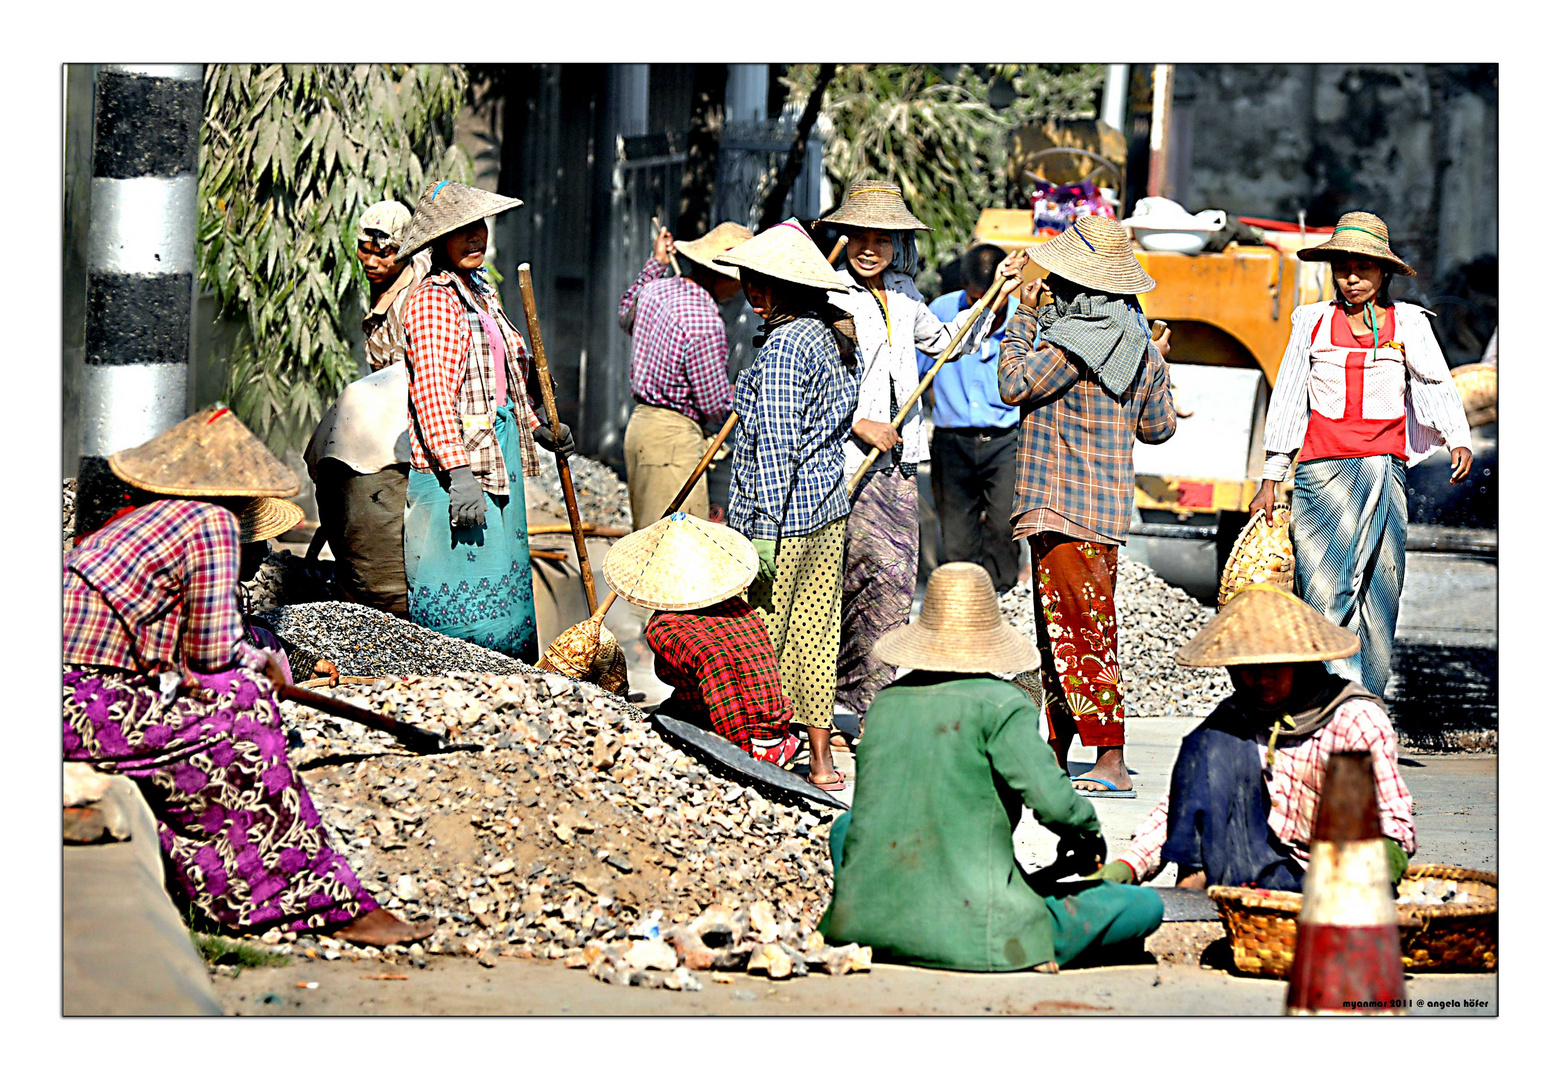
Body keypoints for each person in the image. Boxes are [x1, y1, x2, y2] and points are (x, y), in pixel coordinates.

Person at [63, 406, 432, 946]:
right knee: (244, 704)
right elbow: (214, 659)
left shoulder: (142, 522)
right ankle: (316, 902)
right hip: (85, 701)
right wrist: (258, 667)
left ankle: (237, 889)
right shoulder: (208, 524)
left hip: (75, 698)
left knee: (231, 709)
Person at [819, 563, 1164, 972]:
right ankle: (1019, 942)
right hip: (980, 931)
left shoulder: (885, 705)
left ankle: (873, 915)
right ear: (988, 639)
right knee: (1143, 906)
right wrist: (1086, 834)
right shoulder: (1001, 704)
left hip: (864, 922)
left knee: (845, 828)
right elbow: (1057, 805)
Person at [818, 180, 1021, 725]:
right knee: (846, 581)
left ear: (896, 244)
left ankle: (867, 707)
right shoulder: (829, 294)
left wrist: (998, 291)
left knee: (893, 584)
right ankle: (830, 703)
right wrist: (858, 421)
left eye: (881, 238)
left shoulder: (907, 296)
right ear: (844, 238)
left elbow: (952, 341)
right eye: (858, 236)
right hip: (845, 465)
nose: (868, 248)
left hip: (899, 467)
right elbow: (814, 378)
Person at [1249, 212, 1471, 699]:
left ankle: (1365, 701)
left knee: (1378, 589)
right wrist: (1271, 476)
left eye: (1363, 268)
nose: (1352, 278)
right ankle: (1326, 699)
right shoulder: (1311, 322)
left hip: (1383, 474)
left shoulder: (1407, 323)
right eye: (1343, 268)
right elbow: (1289, 397)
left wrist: (1457, 437)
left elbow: (1434, 382)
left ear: (1383, 273)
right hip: (1320, 476)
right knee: (1324, 592)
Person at [998, 217, 1177, 797]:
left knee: (1078, 637)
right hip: (1102, 515)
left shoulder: (1072, 341)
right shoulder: (1140, 345)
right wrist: (1162, 368)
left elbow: (1014, 384)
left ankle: (1110, 758)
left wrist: (1020, 321)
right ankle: (1055, 749)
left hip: (1061, 508)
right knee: (1066, 635)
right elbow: (1158, 429)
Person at [1100, 584, 1416, 890]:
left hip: (1330, 878)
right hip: (1249, 868)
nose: (1261, 679)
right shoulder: (1236, 717)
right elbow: (1181, 808)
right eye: (1248, 669)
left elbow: (1393, 823)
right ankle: (1192, 886)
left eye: (1274, 667)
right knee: (1211, 742)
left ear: (1301, 663)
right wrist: (1127, 867)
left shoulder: (1353, 720)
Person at [713, 220, 860, 791]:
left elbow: (775, 446)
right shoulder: (829, 334)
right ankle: (821, 761)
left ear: (785, 287)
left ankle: (759, 751)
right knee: (816, 635)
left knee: (763, 639)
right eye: (748, 279)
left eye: (760, 281)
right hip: (826, 509)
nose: (751, 290)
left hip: (783, 521)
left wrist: (764, 538)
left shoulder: (785, 348)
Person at [399, 180, 573, 662]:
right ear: (439, 243)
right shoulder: (434, 300)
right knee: (460, 618)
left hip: (499, 458)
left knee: (506, 602)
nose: (476, 238)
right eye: (462, 231)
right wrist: (458, 474)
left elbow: (507, 372)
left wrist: (537, 424)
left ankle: (507, 691)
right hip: (456, 467)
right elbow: (432, 395)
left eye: (479, 227)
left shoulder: (479, 290)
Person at [304, 200, 432, 614]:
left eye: (385, 252)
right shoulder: (384, 289)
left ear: (406, 251)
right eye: (366, 250)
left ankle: (391, 605)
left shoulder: (416, 297)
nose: (373, 260)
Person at [604, 511, 800, 765]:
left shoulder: (666, 627)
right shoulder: (738, 608)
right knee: (658, 718)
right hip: (774, 727)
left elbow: (719, 674)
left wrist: (740, 755)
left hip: (752, 738)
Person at [618, 221, 754, 529]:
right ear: (721, 276)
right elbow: (714, 404)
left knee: (648, 536)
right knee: (673, 548)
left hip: (640, 429)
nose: (742, 289)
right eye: (740, 279)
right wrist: (748, 391)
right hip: (672, 440)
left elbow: (625, 315)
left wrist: (655, 264)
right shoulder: (705, 320)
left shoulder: (655, 289)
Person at [920, 243, 1024, 592]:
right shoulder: (941, 311)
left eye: (993, 301)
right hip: (954, 443)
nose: (987, 309)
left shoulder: (1023, 321)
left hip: (1006, 442)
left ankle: (1001, 599)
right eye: (977, 298)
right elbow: (919, 375)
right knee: (957, 536)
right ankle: (962, 607)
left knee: (1003, 528)